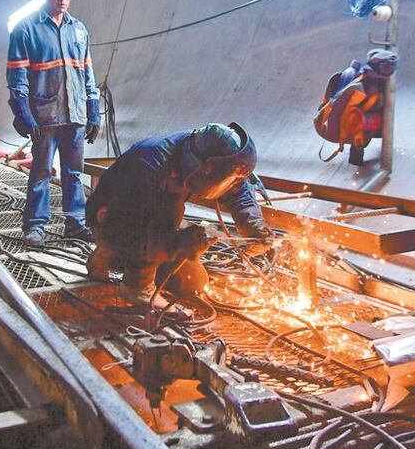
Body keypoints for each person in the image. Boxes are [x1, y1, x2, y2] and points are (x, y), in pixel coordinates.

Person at [85, 122, 278, 309]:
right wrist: (179, 244)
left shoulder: (206, 154)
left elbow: (237, 188)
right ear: (204, 168)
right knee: (164, 218)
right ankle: (130, 280)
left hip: (151, 220)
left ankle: (120, 258)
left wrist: (254, 225)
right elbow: (129, 231)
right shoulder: (147, 165)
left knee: (192, 282)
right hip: (114, 220)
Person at [7, 0, 102, 247]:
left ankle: (75, 223)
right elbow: (17, 76)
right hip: (45, 117)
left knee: (74, 173)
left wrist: (93, 109)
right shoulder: (25, 30)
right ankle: (35, 226)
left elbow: (87, 73)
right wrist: (22, 111)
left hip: (75, 114)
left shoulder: (79, 30)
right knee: (41, 173)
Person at [313, 48, 398, 166]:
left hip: (330, 122)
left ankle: (358, 143)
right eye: (386, 68)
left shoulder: (356, 76)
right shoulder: (358, 89)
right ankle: (356, 152)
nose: (388, 73)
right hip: (331, 129)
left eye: (390, 68)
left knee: (374, 111)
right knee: (374, 117)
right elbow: (339, 116)